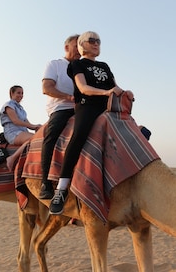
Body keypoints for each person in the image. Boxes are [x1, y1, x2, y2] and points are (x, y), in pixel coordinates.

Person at [49, 31, 123, 215]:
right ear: (81, 45)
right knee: (78, 137)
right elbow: (83, 88)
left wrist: (124, 93)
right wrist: (106, 93)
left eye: (98, 40)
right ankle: (62, 188)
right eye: (92, 40)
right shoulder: (77, 64)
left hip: (107, 107)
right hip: (87, 106)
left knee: (138, 132)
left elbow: (115, 85)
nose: (96, 43)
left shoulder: (104, 66)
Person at [38, 34, 81, 199]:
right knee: (52, 135)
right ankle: (45, 183)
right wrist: (69, 97)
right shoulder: (55, 65)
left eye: (81, 45)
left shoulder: (83, 67)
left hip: (82, 108)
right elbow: (47, 88)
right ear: (66, 47)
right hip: (61, 107)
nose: (79, 49)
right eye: (76, 45)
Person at [0, 85, 42, 170]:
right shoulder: (8, 105)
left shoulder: (21, 109)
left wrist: (37, 127)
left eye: (22, 93)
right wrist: (33, 126)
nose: (21, 95)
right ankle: (12, 158)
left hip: (22, 131)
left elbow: (27, 123)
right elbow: (16, 121)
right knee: (33, 139)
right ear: (12, 93)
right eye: (18, 93)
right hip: (13, 132)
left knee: (40, 137)